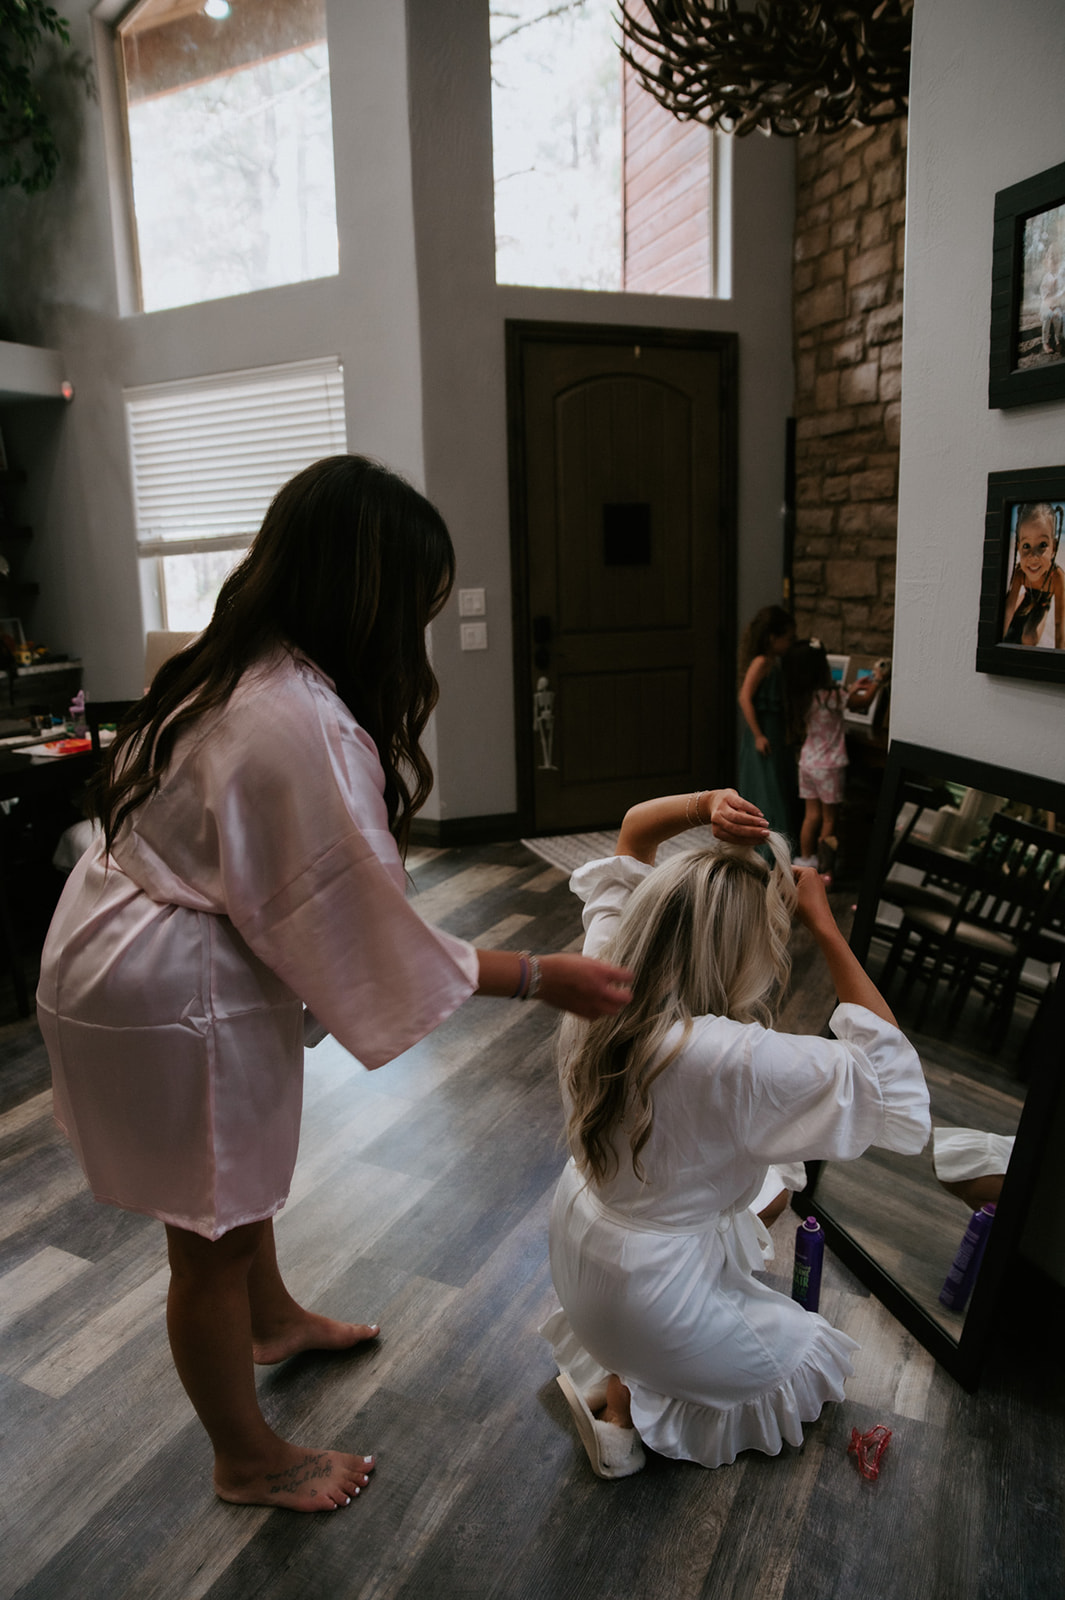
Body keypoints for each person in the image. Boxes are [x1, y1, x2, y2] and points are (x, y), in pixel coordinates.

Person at [37, 455, 633, 1514]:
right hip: (167, 983)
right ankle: (247, 1455)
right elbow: (359, 921)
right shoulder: (295, 716)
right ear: (368, 593)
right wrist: (542, 973)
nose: (421, 627)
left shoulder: (234, 668)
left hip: (120, 937)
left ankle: (270, 1318)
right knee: (207, 1234)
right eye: (417, 602)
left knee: (231, 1179)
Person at [540, 788, 929, 1478]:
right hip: (647, 1292)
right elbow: (891, 1087)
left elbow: (630, 836)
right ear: (741, 951)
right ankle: (636, 1400)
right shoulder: (727, 1056)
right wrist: (826, 927)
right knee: (805, 1353)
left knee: (774, 1184)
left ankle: (622, 1385)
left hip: (581, 1241)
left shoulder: (601, 973)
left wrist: (702, 805)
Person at [782, 638, 849, 879]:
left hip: (808, 763)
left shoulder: (802, 696)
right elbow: (861, 702)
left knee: (811, 816)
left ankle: (804, 862)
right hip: (829, 766)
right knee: (829, 820)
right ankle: (825, 870)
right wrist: (875, 685)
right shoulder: (832, 695)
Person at [737, 605, 796, 839]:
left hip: (775, 732)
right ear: (773, 638)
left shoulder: (774, 663)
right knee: (767, 792)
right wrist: (759, 735)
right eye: (788, 638)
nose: (791, 643)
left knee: (777, 788)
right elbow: (744, 697)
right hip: (763, 733)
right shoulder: (761, 662)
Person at [1002, 501, 1065, 649]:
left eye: (1042, 545)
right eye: (1026, 546)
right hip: (1028, 597)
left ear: (1054, 547)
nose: (1033, 556)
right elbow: (1008, 609)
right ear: (1018, 547)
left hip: (1042, 604)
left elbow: (1059, 624)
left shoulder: (1057, 577)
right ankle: (1022, 599)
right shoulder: (1020, 573)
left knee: (1028, 638)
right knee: (1009, 635)